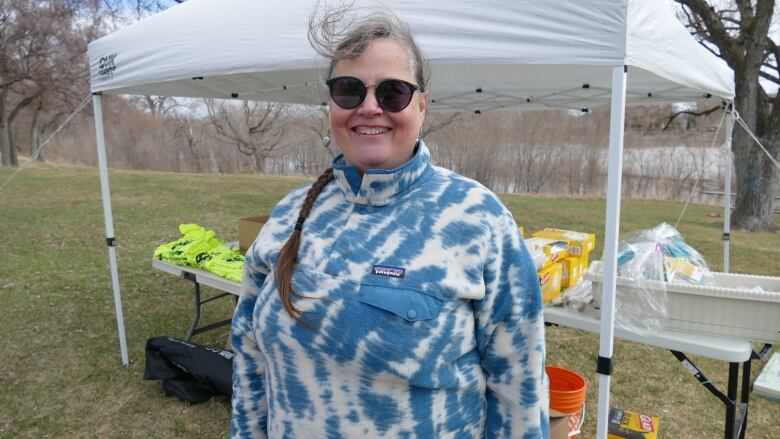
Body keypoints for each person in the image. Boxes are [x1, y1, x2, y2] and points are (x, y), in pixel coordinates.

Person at [231, 7, 548, 439]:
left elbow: (520, 387)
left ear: (421, 103)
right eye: (348, 90)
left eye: (392, 93)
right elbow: (249, 356)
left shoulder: (477, 217)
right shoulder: (290, 213)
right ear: (331, 102)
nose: (368, 108)